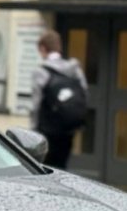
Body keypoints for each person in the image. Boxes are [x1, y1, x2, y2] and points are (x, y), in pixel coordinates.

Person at [30, 30, 88, 168]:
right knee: (62, 167)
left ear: (43, 48)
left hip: (47, 131)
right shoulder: (74, 69)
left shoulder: (41, 72)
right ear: (58, 47)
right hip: (68, 129)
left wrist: (32, 131)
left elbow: (36, 105)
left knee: (45, 169)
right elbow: (84, 92)